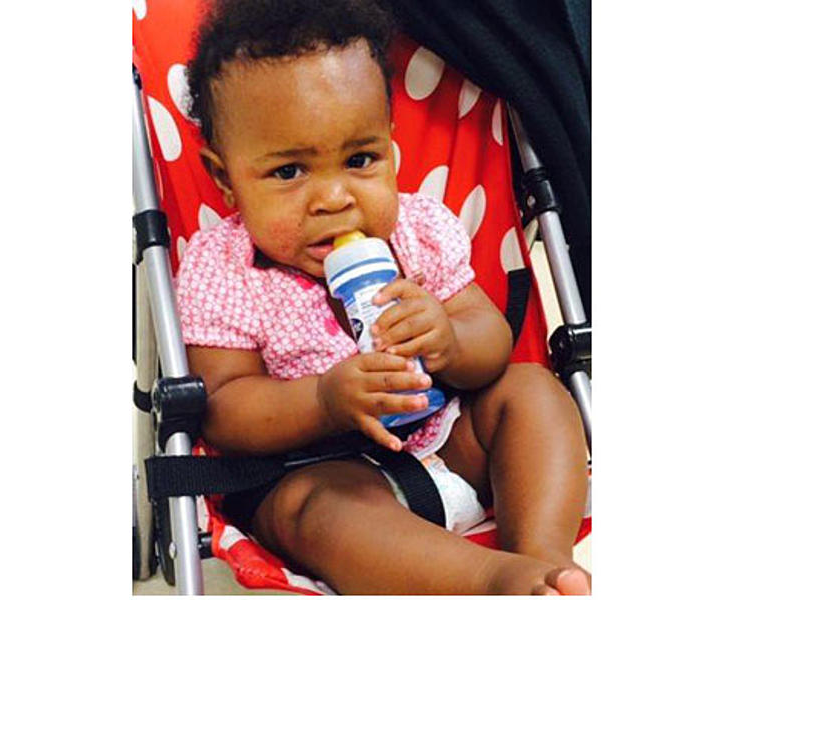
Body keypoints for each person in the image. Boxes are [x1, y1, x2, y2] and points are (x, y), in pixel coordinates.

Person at [176, 0, 590, 594]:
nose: (334, 198)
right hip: (325, 472)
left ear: (390, 148)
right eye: (290, 172)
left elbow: (491, 342)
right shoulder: (226, 268)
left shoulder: (416, 231)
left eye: (360, 159)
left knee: (532, 389)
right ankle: (495, 583)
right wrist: (323, 401)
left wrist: (450, 337)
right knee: (313, 513)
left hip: (451, 440)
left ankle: (545, 558)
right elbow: (224, 408)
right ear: (225, 178)